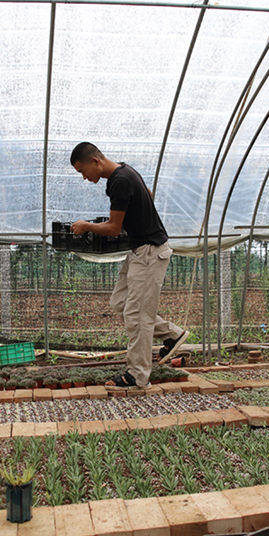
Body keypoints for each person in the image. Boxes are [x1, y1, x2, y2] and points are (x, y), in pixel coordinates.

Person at [70, 142, 188, 389]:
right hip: (138, 250)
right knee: (120, 303)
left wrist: (87, 226)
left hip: (149, 252)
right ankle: (172, 334)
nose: (84, 177)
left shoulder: (120, 180)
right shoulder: (125, 172)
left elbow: (114, 228)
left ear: (95, 161)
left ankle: (138, 376)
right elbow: (148, 194)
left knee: (137, 316)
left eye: (82, 171)